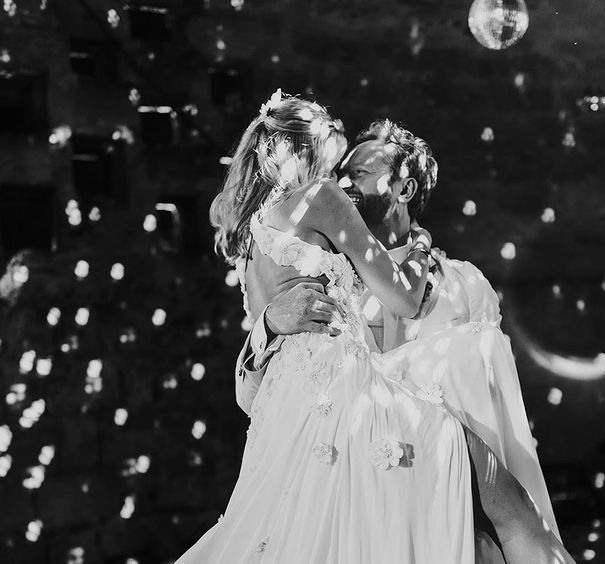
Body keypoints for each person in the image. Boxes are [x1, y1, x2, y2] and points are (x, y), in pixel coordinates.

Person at [235, 115, 573, 563]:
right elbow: (252, 397)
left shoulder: (463, 284)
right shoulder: (318, 271)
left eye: (358, 172)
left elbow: (497, 415)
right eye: (339, 172)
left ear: (404, 189)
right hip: (347, 483)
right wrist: (268, 325)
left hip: (448, 508)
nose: (341, 182)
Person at [177, 91, 479, 563]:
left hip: (279, 405)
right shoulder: (320, 198)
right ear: (307, 153)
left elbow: (258, 352)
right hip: (336, 391)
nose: (339, 179)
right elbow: (402, 296)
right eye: (333, 162)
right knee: (449, 441)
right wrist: (421, 246)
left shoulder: (248, 231)